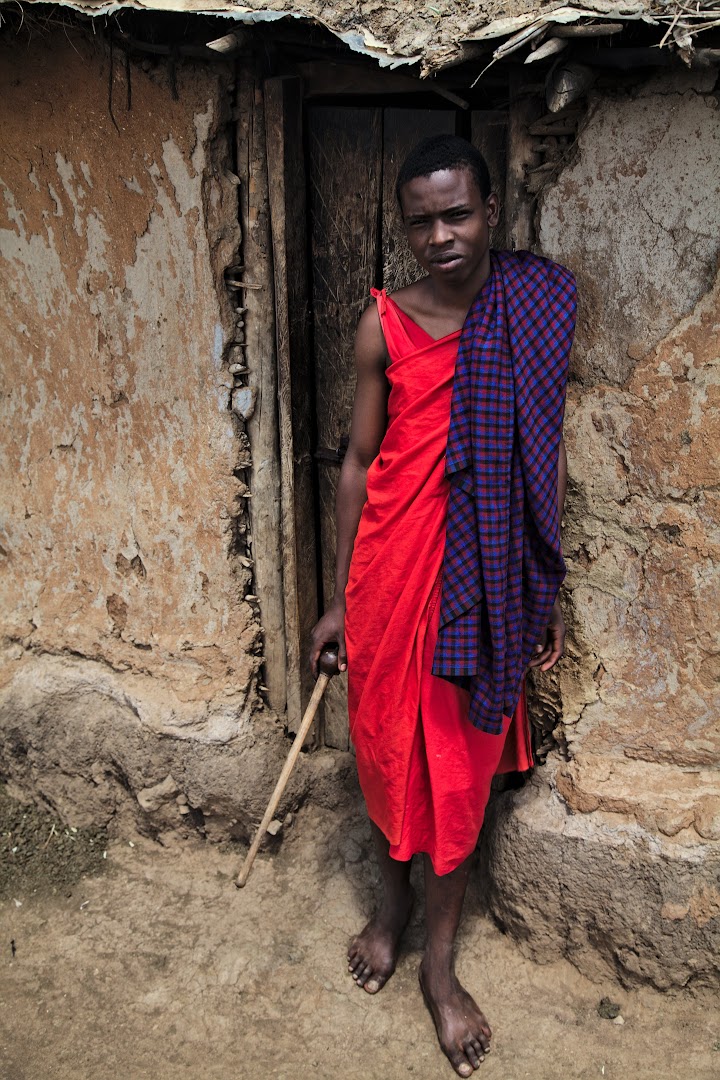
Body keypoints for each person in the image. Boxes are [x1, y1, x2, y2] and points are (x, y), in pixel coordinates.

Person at [310, 134, 576, 1077]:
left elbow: (536, 466)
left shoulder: (529, 311)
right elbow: (356, 460)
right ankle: (389, 912)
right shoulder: (382, 325)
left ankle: (442, 965)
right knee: (387, 754)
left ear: (491, 211)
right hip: (390, 579)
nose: (440, 235)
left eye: (457, 213)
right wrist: (338, 600)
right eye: (421, 221)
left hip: (486, 585)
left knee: (457, 774)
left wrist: (535, 594)